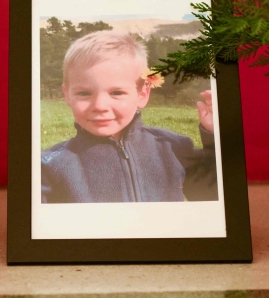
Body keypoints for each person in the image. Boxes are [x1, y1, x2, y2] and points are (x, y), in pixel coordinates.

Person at [41, 31, 219, 203]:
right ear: (67, 95)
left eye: (116, 92)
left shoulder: (174, 148)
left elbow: (213, 196)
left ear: (142, 94)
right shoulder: (50, 166)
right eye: (84, 93)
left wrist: (214, 138)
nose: (100, 106)